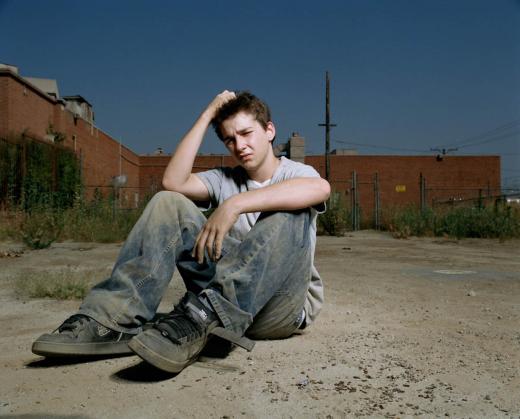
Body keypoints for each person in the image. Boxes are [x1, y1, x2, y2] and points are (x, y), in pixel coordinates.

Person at [32, 90, 330, 373]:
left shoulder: (295, 173)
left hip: (278, 309)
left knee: (293, 207)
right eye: (229, 139)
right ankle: (112, 319)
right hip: (220, 299)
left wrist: (234, 205)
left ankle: (204, 316)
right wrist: (208, 114)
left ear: (269, 130)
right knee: (168, 203)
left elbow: (320, 188)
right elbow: (173, 182)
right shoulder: (225, 179)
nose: (239, 146)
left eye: (246, 133)